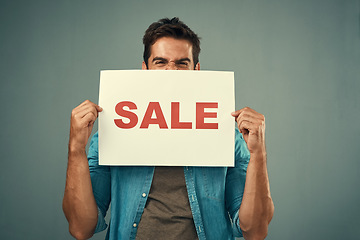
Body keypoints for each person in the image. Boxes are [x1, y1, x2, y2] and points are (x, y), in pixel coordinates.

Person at [63, 17, 274, 240]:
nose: (171, 71)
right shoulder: (113, 134)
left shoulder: (226, 139)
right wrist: (76, 149)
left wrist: (258, 154)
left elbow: (255, 230)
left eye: (182, 63)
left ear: (197, 70)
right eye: (161, 62)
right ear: (144, 69)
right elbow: (81, 228)